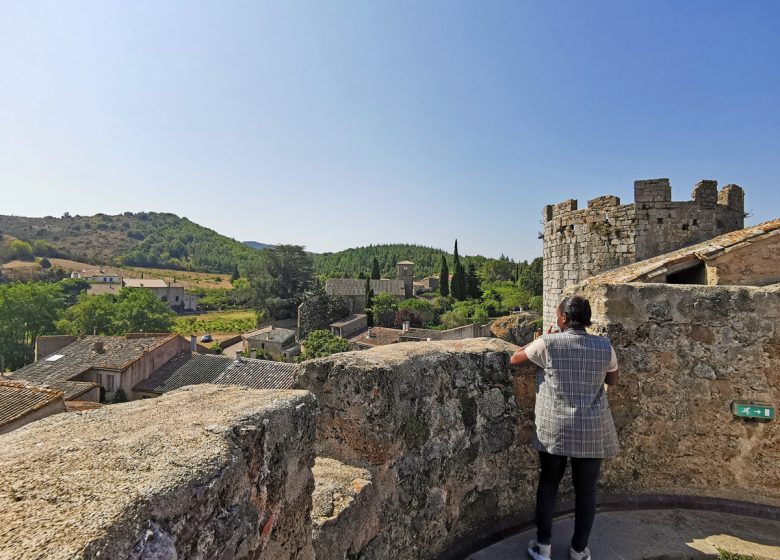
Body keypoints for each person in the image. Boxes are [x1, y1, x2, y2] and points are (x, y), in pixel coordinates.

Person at [510, 295, 620, 560]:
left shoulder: (548, 343)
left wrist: (542, 338)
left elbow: (515, 358)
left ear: (562, 318)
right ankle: (579, 550)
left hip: (555, 428)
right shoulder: (605, 346)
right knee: (586, 491)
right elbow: (613, 380)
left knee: (548, 484)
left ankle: (543, 547)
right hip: (592, 428)